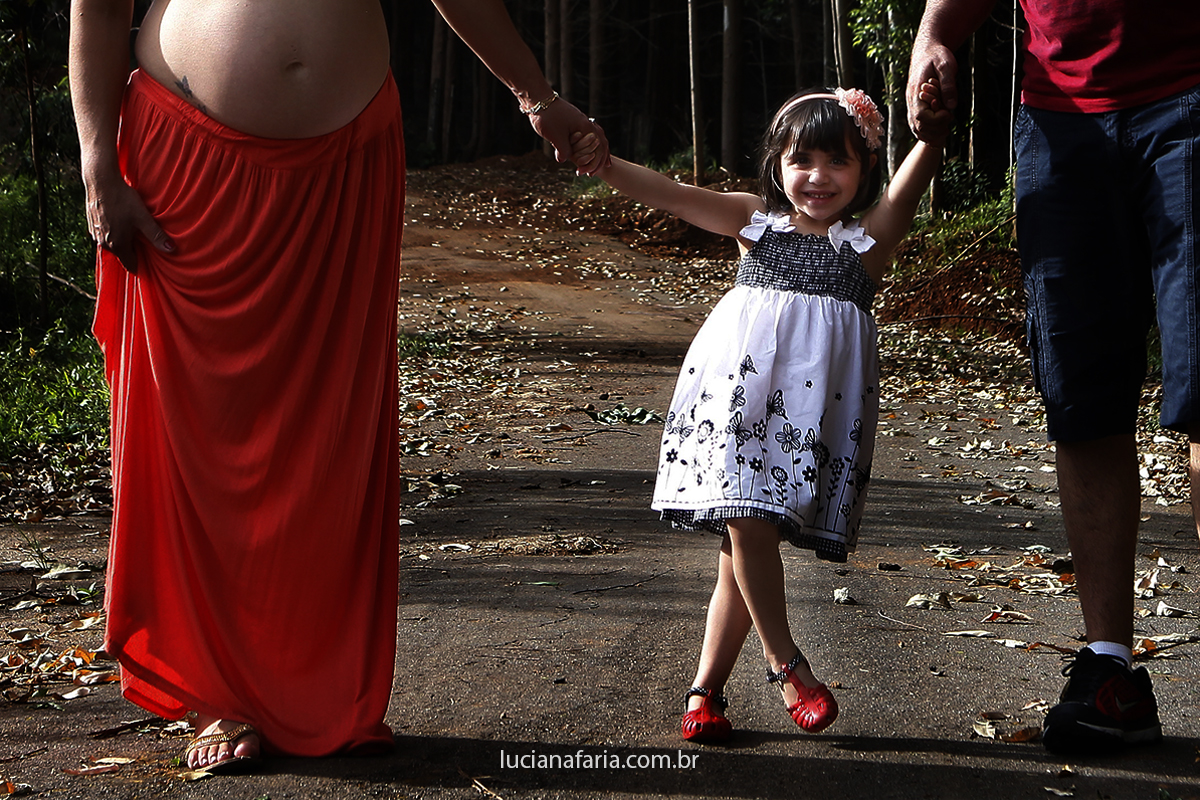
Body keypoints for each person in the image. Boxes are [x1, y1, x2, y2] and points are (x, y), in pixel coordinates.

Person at [68, 0, 607, 773]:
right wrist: (95, 157)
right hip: (188, 163)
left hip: (346, 165)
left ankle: (309, 683)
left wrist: (537, 98)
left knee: (327, 435)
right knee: (206, 431)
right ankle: (223, 693)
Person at [573, 83, 949, 742]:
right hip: (737, 402)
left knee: (741, 550)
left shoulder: (866, 242)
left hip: (810, 419)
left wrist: (934, 132)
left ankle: (703, 693)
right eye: (802, 160)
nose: (818, 177)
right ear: (776, 164)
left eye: (839, 161)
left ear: (864, 171)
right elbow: (673, 195)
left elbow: (912, 186)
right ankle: (789, 667)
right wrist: (604, 165)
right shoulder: (753, 221)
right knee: (746, 522)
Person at [907, 0, 1200, 756]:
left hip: (1191, 96)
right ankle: (1112, 676)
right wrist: (937, 33)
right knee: (1082, 397)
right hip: (1061, 120)